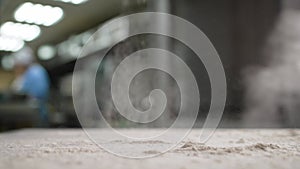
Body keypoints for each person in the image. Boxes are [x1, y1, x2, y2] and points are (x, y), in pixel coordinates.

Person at [11, 47, 50, 126]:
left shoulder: (36, 72)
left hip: (37, 112)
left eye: (17, 66)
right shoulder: (26, 75)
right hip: (31, 112)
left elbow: (39, 92)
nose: (16, 69)